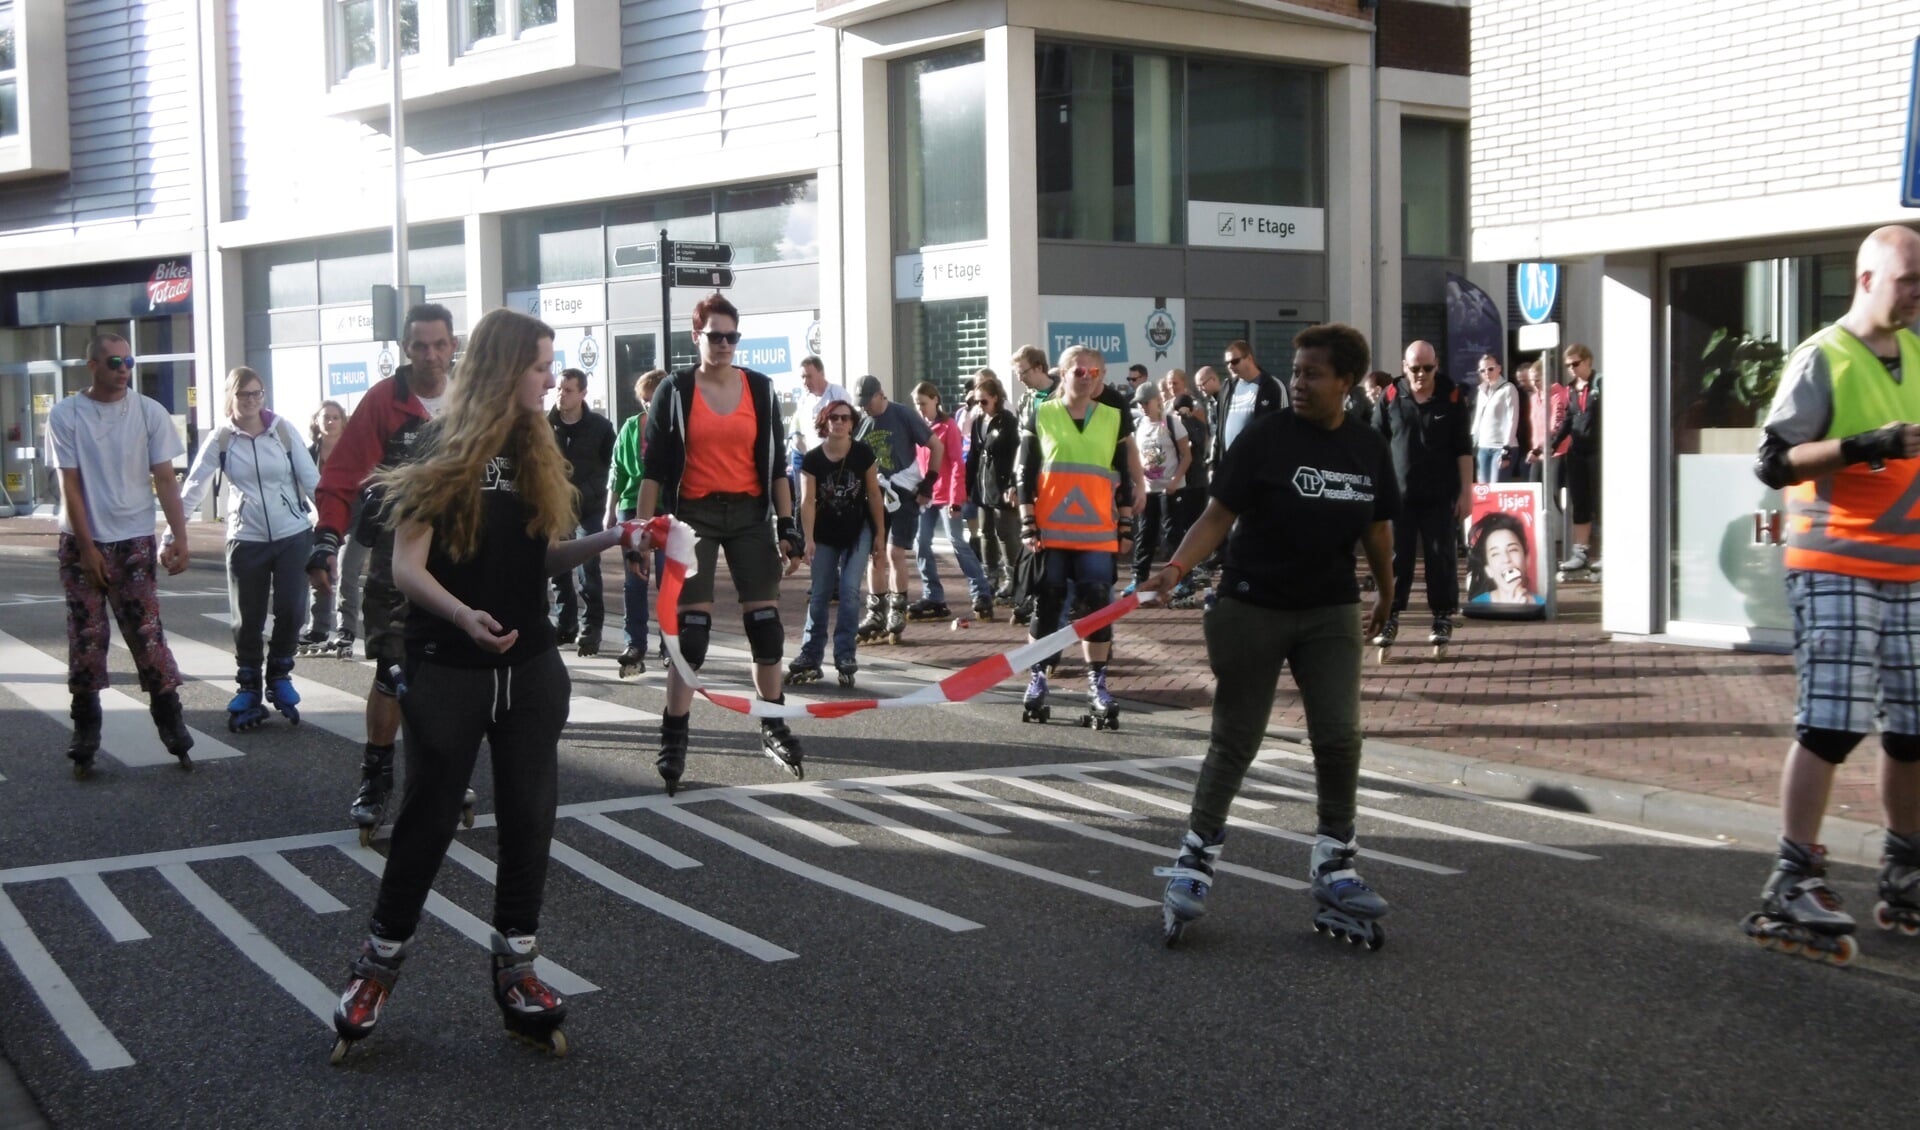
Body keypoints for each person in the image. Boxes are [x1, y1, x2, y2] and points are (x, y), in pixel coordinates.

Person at [329, 306, 640, 1061]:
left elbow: (541, 559)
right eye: (540, 364)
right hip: (451, 667)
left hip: (529, 667)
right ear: (506, 369)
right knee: (429, 818)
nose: (550, 376)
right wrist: (464, 615)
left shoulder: (539, 447)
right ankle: (376, 967)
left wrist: (616, 538)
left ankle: (517, 972)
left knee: (531, 817)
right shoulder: (440, 445)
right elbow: (407, 566)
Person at [1138, 323, 1398, 949]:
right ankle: (1196, 858)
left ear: (1346, 382)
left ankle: (1335, 860)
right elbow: (1217, 514)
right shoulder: (1267, 438)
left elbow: (1379, 530)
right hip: (1253, 605)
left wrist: (1390, 594)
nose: (1299, 383)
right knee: (1237, 739)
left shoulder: (1367, 447)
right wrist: (1177, 565)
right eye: (1297, 370)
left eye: (1313, 374)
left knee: (1339, 736)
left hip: (1330, 609)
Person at [1745, 224, 1920, 961]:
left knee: (1914, 731)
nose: (1918, 291)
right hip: (1836, 563)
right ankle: (1794, 874)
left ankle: (1905, 867)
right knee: (1833, 723)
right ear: (1867, 277)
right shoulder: (1823, 356)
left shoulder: (1914, 351)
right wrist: (1865, 445)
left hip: (1909, 570)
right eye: (1909, 278)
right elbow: (1773, 461)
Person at [633, 292, 806, 794]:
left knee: (767, 628)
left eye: (732, 336)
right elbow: (655, 471)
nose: (725, 344)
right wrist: (640, 534)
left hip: (750, 513)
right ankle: (674, 733)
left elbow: (775, 465)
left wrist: (788, 523)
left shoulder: (759, 387)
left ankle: (772, 725)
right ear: (697, 337)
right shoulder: (676, 389)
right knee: (691, 635)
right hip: (693, 516)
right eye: (716, 336)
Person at [309, 303, 460, 839]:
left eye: (439, 344)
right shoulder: (383, 401)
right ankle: (376, 779)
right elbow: (341, 475)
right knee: (393, 672)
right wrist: (327, 536)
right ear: (405, 349)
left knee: (453, 671)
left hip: (461, 554)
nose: (431, 355)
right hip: (396, 552)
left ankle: (448, 773)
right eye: (420, 345)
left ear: (453, 345)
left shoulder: (473, 401)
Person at [46, 331, 196, 776]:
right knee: (88, 639)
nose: (123, 370)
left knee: (147, 637)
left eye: (128, 361)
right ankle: (86, 732)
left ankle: (172, 725)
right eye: (113, 363)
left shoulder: (148, 412)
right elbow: (70, 484)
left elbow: (166, 479)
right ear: (92, 365)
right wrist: (87, 547)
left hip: (133, 538)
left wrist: (179, 537)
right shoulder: (66, 415)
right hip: (82, 539)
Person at [175, 367, 320, 731]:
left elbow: (312, 480)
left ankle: (280, 675)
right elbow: (193, 487)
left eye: (257, 393)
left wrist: (333, 527)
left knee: (292, 608)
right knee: (247, 619)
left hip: (292, 534)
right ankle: (249, 686)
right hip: (245, 539)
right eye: (244, 395)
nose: (252, 401)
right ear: (231, 398)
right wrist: (172, 536)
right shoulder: (221, 439)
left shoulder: (283, 431)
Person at [1016, 344, 1135, 730]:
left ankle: (1097, 683)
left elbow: (1125, 477)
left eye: (1094, 373)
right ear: (1061, 374)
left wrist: (1127, 523)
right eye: (1079, 371)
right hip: (1051, 530)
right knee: (1048, 602)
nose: (1086, 378)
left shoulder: (1113, 418)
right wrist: (1027, 522)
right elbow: (1025, 472)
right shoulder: (1042, 413)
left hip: (1097, 532)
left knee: (1097, 604)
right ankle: (1038, 676)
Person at [1370, 341, 1473, 649]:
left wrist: (1467, 492)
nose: (1421, 375)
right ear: (1404, 367)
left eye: (1427, 368)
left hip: (1440, 494)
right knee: (1395, 558)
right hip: (1398, 495)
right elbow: (1375, 445)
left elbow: (1463, 450)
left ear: (1436, 365)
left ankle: (1442, 616)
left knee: (1440, 557)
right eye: (1415, 368)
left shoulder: (1452, 395)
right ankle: (1389, 617)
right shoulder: (1390, 396)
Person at [786, 399, 886, 687]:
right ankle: (810, 654)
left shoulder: (862, 453)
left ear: (853, 424)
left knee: (850, 590)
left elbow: (873, 494)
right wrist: (808, 539)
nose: (839, 423)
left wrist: (879, 534)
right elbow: (806, 501)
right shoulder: (813, 459)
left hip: (857, 531)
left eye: (845, 418)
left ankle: (845, 654)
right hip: (824, 533)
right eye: (834, 418)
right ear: (825, 423)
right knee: (819, 594)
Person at [851, 374, 939, 646]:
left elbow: (936, 445)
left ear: (881, 394)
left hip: (904, 491)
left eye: (869, 401)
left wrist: (929, 483)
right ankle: (875, 612)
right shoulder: (860, 422)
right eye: (861, 403)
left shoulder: (903, 414)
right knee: (875, 553)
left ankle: (897, 608)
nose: (865, 407)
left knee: (895, 551)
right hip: (875, 493)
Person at [908, 380, 993, 624]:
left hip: (946, 493)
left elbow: (957, 463)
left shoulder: (948, 426)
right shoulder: (918, 428)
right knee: (921, 543)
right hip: (926, 494)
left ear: (935, 400)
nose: (921, 409)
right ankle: (932, 595)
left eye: (923, 403)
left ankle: (981, 592)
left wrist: (956, 499)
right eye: (917, 405)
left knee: (957, 542)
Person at [547, 367, 616, 655]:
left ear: (583, 393)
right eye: (560, 389)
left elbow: (612, 466)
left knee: (588, 568)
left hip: (589, 507)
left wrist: (591, 490)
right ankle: (566, 624)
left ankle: (592, 626)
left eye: (568, 390)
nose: (562, 395)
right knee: (557, 569)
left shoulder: (600, 427)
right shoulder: (545, 425)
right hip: (555, 507)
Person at [607, 367, 666, 678]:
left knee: (670, 580)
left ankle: (671, 643)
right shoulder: (631, 428)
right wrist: (610, 510)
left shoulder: (675, 429)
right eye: (643, 400)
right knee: (635, 579)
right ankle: (635, 643)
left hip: (668, 508)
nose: (647, 405)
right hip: (632, 508)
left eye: (652, 399)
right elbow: (617, 472)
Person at [965, 374, 1021, 604]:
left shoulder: (1008, 421)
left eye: (984, 401)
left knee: (1005, 532)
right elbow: (974, 455)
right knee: (985, 531)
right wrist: (968, 485)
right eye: (976, 402)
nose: (980, 406)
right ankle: (991, 574)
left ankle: (1013, 577)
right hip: (983, 485)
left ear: (996, 398)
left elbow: (1016, 454)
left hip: (1001, 483)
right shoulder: (979, 422)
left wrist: (1012, 484)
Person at [1129, 382, 1190, 591]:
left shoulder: (1172, 423)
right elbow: (1135, 458)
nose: (1144, 407)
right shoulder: (1139, 425)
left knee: (1173, 533)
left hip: (1172, 487)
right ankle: (1138, 578)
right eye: (1140, 404)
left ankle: (1181, 579)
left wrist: (1174, 481)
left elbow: (1186, 455)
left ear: (1157, 401)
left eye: (1147, 402)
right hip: (1148, 488)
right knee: (1145, 533)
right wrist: (1137, 482)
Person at [299, 400, 348, 654]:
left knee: (344, 573)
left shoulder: (352, 452)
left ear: (343, 421)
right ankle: (318, 629)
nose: (330, 422)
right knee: (318, 572)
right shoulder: (308, 453)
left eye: (335, 417)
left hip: (348, 520)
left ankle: (345, 629)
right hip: (316, 521)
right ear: (317, 422)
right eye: (325, 417)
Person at [1552, 343, 1602, 574]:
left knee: (1601, 502)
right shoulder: (1570, 388)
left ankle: (1606, 553)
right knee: (1580, 502)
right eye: (1568, 366)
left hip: (1598, 451)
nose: (1571, 369)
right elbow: (1568, 420)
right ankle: (1580, 552)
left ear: (1588, 361)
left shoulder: (1601, 383)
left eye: (1575, 364)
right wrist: (1551, 444)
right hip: (1577, 451)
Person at [1212, 340, 1287, 471]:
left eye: (1235, 361)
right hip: (1230, 464)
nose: (1230, 366)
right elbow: (1219, 429)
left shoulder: (1272, 386)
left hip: (1258, 467)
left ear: (1249, 358)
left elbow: (1284, 430)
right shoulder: (1227, 387)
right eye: (1227, 363)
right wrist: (1213, 465)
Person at [787, 355, 850, 501]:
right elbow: (798, 432)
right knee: (804, 502)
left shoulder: (837, 394)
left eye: (809, 376)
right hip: (810, 461)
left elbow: (849, 426)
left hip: (834, 462)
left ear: (822, 373)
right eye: (803, 377)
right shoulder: (804, 400)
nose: (805, 382)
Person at [1164, 393, 1211, 585]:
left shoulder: (1197, 424)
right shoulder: (1171, 426)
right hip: (1183, 482)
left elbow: (1198, 441)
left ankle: (1200, 565)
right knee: (1181, 526)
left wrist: (1188, 418)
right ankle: (1184, 565)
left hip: (1197, 482)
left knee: (1197, 524)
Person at [1465, 512, 1543, 605]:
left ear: (1527, 560)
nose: (1506, 559)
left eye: (1513, 549)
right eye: (1495, 554)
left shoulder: (1543, 606)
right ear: (1488, 570)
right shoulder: (1477, 606)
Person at [1470, 354, 1518, 484]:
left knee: (1497, 487)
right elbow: (1478, 418)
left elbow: (1513, 418)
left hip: (1501, 446)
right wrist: (1472, 440)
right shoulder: (1481, 390)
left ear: (1499, 368)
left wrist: (1506, 448)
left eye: (1490, 369)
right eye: (1482, 370)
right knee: (1483, 488)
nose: (1487, 373)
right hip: (1484, 446)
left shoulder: (1508, 388)